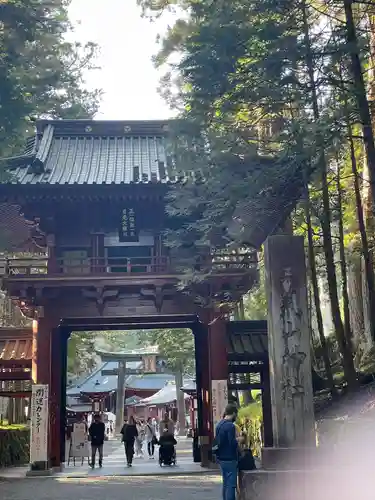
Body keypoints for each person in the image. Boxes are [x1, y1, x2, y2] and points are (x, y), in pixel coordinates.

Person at [214, 404, 239, 500]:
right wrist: (239, 440)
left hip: (221, 458)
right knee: (231, 485)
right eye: (236, 414)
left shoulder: (219, 425)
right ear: (233, 413)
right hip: (230, 458)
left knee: (225, 483)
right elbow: (232, 443)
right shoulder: (230, 426)